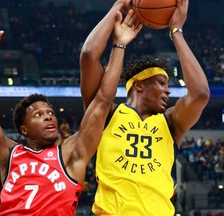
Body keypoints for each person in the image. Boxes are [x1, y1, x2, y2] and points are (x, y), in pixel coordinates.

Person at [0, 8, 142, 216]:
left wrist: (119, 45)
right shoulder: (10, 155)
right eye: (38, 115)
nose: (49, 116)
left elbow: (103, 101)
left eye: (50, 112)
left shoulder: (71, 154)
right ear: (24, 129)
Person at [80, 0, 210, 215]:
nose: (168, 92)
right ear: (139, 85)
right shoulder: (107, 113)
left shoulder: (170, 123)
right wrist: (118, 7)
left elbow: (201, 94)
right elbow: (88, 55)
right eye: (161, 83)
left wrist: (176, 31)